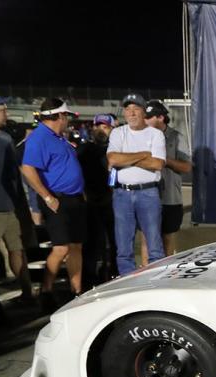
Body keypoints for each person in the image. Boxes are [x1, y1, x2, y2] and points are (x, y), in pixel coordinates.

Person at [19, 98, 87, 311]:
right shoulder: (40, 137)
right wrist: (48, 197)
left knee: (76, 246)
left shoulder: (57, 137)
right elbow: (28, 168)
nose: (67, 119)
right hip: (57, 199)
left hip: (73, 198)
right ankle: (46, 291)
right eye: (66, 115)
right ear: (58, 116)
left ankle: (76, 291)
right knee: (61, 247)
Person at [106, 93, 166, 275]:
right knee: (124, 247)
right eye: (128, 109)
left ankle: (156, 281)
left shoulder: (155, 134)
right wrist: (143, 154)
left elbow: (157, 164)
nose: (131, 113)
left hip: (148, 193)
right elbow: (113, 159)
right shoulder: (118, 132)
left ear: (143, 112)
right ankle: (127, 284)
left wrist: (126, 159)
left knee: (155, 246)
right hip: (122, 194)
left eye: (136, 109)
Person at [0, 91, 33, 322]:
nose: (6, 112)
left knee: (17, 248)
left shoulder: (6, 138)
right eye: (2, 109)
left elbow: (13, 175)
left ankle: (27, 292)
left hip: (10, 206)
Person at [140, 100, 191, 260]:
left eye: (148, 117)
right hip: (146, 197)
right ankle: (145, 275)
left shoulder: (176, 137)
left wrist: (165, 161)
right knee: (146, 239)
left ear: (160, 117)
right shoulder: (140, 137)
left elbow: (186, 167)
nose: (145, 121)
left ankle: (165, 271)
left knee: (167, 239)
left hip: (170, 199)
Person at [78, 113, 117, 288]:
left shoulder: (116, 150)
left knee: (116, 243)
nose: (101, 130)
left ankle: (115, 273)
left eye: (105, 127)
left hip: (112, 202)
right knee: (93, 244)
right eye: (98, 126)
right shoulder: (83, 150)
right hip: (91, 203)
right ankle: (89, 280)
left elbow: (115, 175)